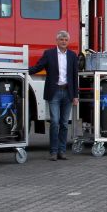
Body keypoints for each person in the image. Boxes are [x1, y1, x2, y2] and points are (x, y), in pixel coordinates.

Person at [29, 30, 79, 160]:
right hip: (54, 92)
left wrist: (75, 96)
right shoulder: (49, 54)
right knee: (55, 122)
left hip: (68, 93)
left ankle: (62, 151)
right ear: (57, 41)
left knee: (63, 123)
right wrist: (25, 71)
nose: (63, 42)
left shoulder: (73, 56)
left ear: (68, 42)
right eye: (61, 39)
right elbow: (39, 66)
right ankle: (53, 151)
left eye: (65, 40)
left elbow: (75, 76)